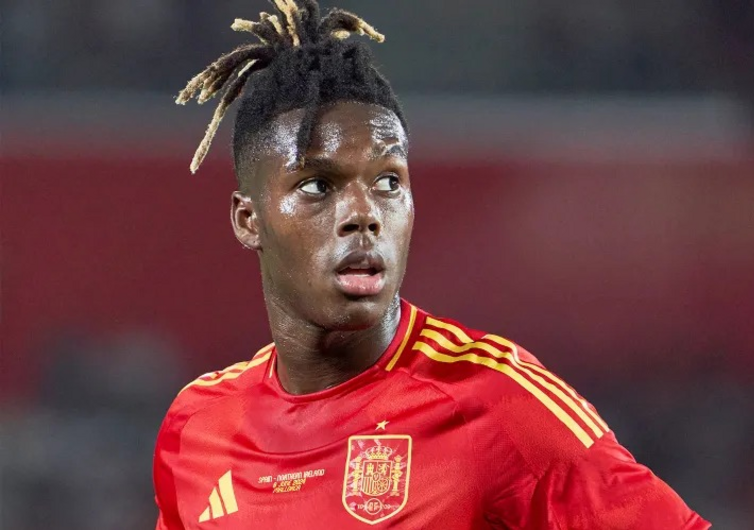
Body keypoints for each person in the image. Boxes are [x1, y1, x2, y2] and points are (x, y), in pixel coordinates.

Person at [153, 1, 710, 528]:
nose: (364, 215)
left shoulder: (497, 404)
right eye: (318, 185)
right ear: (249, 220)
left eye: (388, 182)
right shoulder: (196, 428)